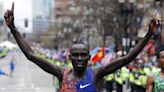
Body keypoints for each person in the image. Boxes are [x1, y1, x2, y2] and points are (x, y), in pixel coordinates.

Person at [4, 3, 160, 92]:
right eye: (76, 55)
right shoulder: (61, 74)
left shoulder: (97, 73)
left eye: (83, 55)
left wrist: (148, 35)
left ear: (89, 57)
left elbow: (127, 58)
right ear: (70, 57)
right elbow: (31, 55)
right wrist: (13, 28)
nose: (79, 58)